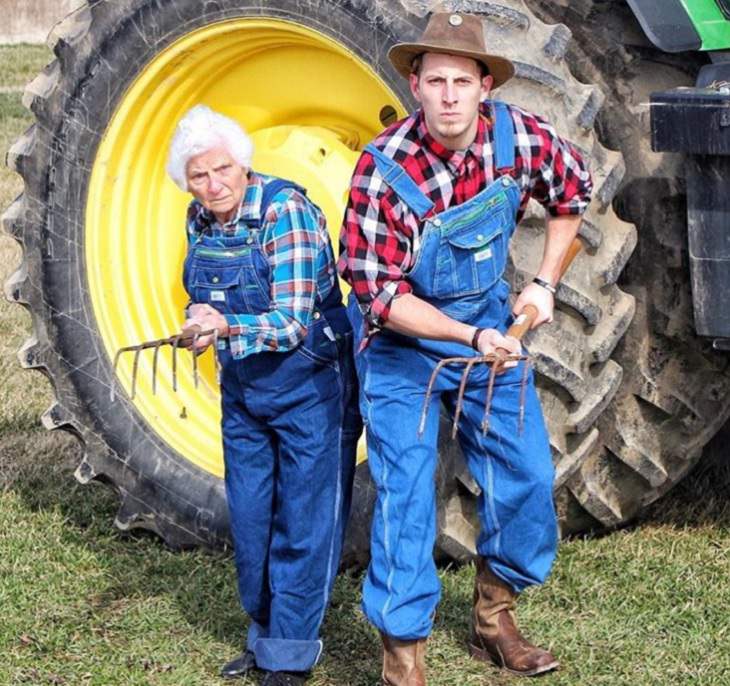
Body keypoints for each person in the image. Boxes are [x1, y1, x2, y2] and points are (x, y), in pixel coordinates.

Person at [339, 12, 593, 685]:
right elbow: (381, 296)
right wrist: (467, 335)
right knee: (407, 496)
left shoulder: (516, 138)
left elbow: (573, 192)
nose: (449, 95)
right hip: (402, 350)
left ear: (485, 86)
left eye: (462, 80)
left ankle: (492, 620)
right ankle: (403, 660)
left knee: (529, 476)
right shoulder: (382, 169)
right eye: (435, 81)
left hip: (490, 337)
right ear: (415, 86)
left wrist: (542, 283)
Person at [167, 105, 360, 686]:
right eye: (198, 176)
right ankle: (263, 635)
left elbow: (292, 322)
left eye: (222, 169)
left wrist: (225, 328)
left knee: (305, 519)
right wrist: (197, 322)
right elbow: (206, 295)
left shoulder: (286, 213)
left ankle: (290, 654)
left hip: (310, 383)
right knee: (251, 519)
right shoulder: (198, 220)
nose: (212, 184)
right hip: (244, 389)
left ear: (243, 164)